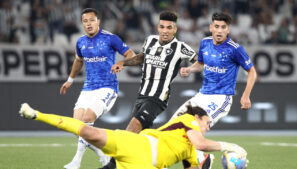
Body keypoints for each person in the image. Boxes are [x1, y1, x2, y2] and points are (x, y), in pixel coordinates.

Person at [19, 102, 247, 169]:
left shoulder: (190, 151)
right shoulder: (187, 121)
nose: (208, 127)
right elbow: (201, 142)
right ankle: (36, 114)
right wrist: (229, 146)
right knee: (89, 132)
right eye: (208, 123)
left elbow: (197, 156)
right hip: (137, 144)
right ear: (198, 117)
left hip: (145, 165)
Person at [102, 10, 198, 169]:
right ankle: (159, 163)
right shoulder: (150, 40)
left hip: (158, 98)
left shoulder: (181, 47)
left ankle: (110, 166)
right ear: (158, 27)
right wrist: (123, 63)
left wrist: (191, 69)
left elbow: (200, 61)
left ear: (175, 29)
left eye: (169, 27)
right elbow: (140, 58)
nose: (165, 31)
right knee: (140, 137)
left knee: (131, 130)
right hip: (142, 96)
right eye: (162, 27)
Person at [171, 12, 257, 163]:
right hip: (201, 95)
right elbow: (201, 63)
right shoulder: (205, 42)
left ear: (228, 30)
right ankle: (202, 158)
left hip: (220, 98)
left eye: (223, 27)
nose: (219, 30)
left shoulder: (235, 49)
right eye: (216, 26)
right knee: (174, 125)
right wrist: (190, 69)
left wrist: (245, 95)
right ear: (211, 27)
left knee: (195, 130)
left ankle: (203, 157)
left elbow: (252, 71)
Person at [59, 8, 135, 169]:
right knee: (76, 127)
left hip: (107, 88)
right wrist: (70, 80)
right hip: (87, 89)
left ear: (98, 21)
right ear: (82, 24)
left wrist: (121, 63)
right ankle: (103, 154)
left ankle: (76, 162)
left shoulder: (110, 38)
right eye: (85, 21)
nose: (89, 24)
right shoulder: (81, 41)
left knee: (87, 119)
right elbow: (78, 61)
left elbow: (130, 54)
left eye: (92, 20)